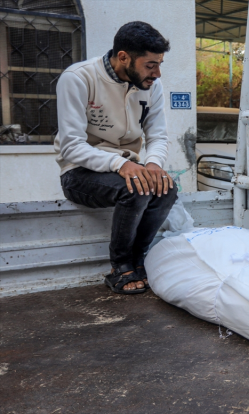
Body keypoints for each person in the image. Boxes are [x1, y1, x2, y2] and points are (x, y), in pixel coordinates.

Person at [54, 21, 178, 295]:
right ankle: (120, 267)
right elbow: (71, 146)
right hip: (79, 171)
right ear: (123, 57)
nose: (157, 73)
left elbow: (157, 136)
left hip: (126, 166)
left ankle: (138, 260)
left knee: (166, 188)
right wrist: (122, 164)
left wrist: (154, 165)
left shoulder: (151, 86)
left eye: (159, 64)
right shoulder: (78, 78)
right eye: (150, 65)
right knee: (134, 189)